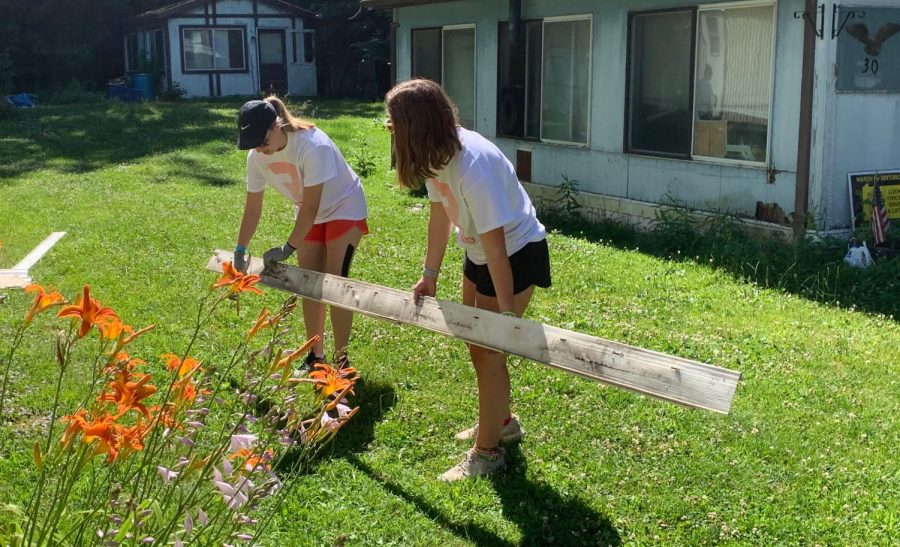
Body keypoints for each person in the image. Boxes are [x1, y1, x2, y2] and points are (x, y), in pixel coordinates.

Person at [384, 79, 551, 481]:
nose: (389, 128)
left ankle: (488, 453)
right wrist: (429, 276)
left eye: (394, 122)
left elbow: (498, 249)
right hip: (479, 252)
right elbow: (440, 217)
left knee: (491, 350)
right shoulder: (434, 155)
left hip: (514, 254)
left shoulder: (472, 165)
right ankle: (502, 421)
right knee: (477, 346)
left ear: (417, 124)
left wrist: (507, 315)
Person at [233, 97, 368, 370]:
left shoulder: (311, 145)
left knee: (335, 284)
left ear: (276, 125)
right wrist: (240, 249)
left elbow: (312, 206)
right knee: (309, 284)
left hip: (344, 205)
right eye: (253, 144)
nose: (260, 149)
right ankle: (316, 356)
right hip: (309, 212)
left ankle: (342, 363)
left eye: (262, 141)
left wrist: (288, 247)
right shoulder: (256, 158)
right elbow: (253, 208)